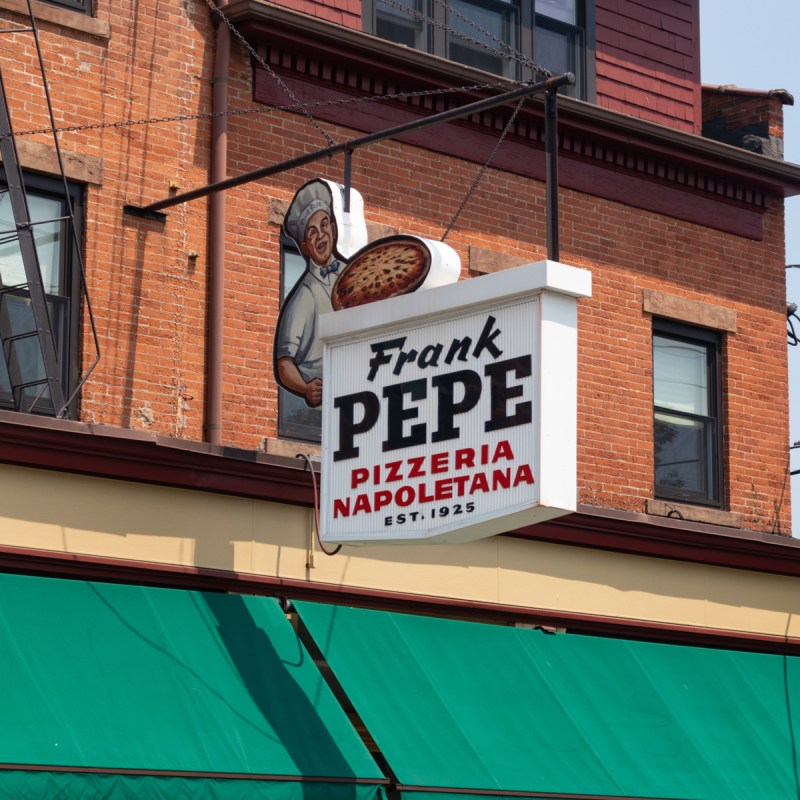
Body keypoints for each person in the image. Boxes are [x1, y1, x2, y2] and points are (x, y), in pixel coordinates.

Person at [274, 179, 347, 407]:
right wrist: (306, 388)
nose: (321, 236)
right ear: (305, 246)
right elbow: (284, 363)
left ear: (333, 229)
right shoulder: (304, 295)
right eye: (312, 233)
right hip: (325, 398)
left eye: (324, 225)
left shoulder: (353, 273)